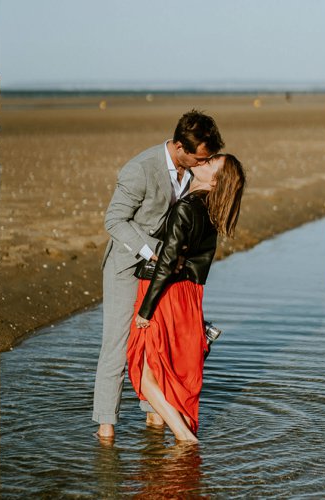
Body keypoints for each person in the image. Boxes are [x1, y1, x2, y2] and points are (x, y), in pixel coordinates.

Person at [94, 110, 224, 441]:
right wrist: (154, 251)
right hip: (127, 264)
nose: (203, 163)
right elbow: (114, 221)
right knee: (118, 345)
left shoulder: (190, 173)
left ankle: (154, 415)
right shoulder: (140, 170)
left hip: (162, 271)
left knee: (157, 343)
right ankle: (106, 427)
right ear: (180, 146)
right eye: (200, 158)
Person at [127, 154, 246, 443]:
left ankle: (185, 439)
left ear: (215, 180)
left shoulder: (187, 207)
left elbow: (167, 262)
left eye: (209, 164)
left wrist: (145, 309)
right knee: (164, 368)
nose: (202, 162)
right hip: (189, 294)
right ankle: (173, 430)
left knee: (143, 371)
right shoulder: (213, 210)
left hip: (165, 291)